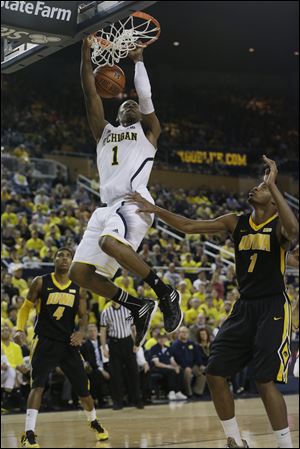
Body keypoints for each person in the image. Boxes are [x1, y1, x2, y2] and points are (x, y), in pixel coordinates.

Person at [127, 155, 299, 448]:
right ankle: (233, 439)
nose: (254, 189)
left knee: (263, 380)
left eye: (261, 188)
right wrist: (155, 209)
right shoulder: (235, 222)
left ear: (273, 201)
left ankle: (285, 445)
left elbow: (294, 231)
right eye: (256, 186)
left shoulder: (279, 227)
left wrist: (273, 184)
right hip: (244, 307)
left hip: (272, 306)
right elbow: (189, 226)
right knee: (215, 373)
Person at [69, 39, 182, 348]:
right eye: (124, 105)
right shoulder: (103, 132)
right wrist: (85, 52)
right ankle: (137, 305)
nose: (131, 106)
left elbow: (145, 97)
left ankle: (164, 292)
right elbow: (89, 90)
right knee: (78, 272)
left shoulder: (148, 132)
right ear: (117, 113)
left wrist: (139, 60)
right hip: (106, 208)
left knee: (108, 242)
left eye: (133, 105)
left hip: (135, 201)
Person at [14, 248, 109, 448]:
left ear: (72, 261)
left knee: (83, 389)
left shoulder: (79, 287)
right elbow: (25, 308)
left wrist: (82, 332)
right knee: (37, 386)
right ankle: (28, 433)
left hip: (68, 343)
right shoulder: (40, 281)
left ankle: (93, 421)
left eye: (68, 256)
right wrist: (19, 329)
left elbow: (83, 316)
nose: (64, 258)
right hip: (45, 341)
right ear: (54, 260)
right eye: (60, 255)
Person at [100, 301, 143, 410]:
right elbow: (103, 331)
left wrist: (136, 343)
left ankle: (137, 400)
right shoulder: (106, 312)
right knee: (116, 375)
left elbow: (133, 328)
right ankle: (118, 402)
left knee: (134, 372)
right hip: (114, 344)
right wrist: (104, 348)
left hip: (128, 342)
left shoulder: (128, 310)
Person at [80, 324, 110, 408]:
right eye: (90, 331)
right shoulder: (85, 345)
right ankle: (100, 400)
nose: (93, 333)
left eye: (94, 331)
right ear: (87, 333)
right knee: (96, 374)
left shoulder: (103, 343)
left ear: (98, 332)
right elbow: (91, 362)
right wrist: (102, 370)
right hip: (93, 368)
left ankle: (119, 399)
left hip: (105, 366)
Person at [171, 326, 205, 397]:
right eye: (182, 332)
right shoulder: (175, 344)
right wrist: (186, 366)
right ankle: (188, 392)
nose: (184, 334)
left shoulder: (192, 343)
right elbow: (178, 358)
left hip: (192, 365)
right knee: (188, 371)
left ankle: (197, 391)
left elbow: (197, 355)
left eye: (186, 332)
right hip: (181, 366)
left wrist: (200, 364)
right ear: (179, 333)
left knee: (203, 372)